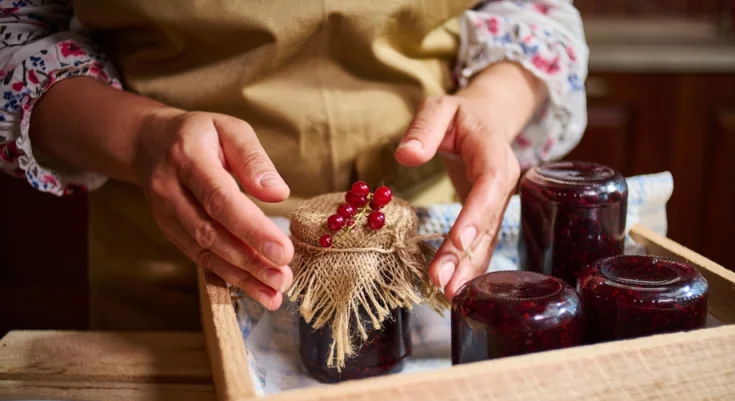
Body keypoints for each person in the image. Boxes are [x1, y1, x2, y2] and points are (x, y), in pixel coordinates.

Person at [0, 0, 588, 331]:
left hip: (413, 274)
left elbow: (536, 14)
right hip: (175, 279)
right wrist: (139, 138)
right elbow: (14, 33)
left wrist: (488, 106)